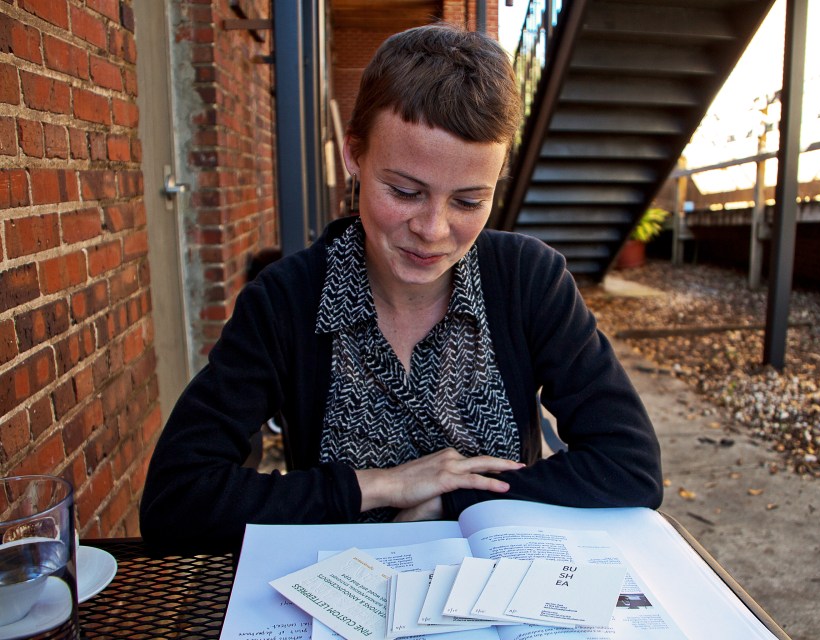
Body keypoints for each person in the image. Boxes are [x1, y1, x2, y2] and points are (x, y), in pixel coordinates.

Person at [139, 23, 662, 554]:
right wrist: (380, 485)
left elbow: (630, 464)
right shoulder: (287, 302)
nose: (433, 230)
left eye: (468, 201)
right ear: (354, 157)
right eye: (405, 191)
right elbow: (177, 501)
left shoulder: (528, 281)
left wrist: (451, 500)